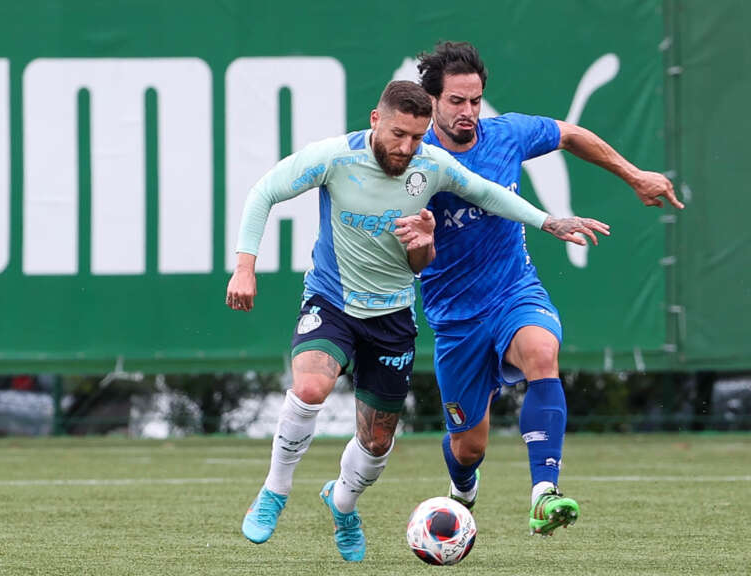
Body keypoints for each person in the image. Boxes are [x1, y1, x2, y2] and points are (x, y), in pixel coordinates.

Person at [225, 80, 608, 561]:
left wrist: (548, 222)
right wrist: (245, 266)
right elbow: (263, 192)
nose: (407, 148)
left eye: (417, 136)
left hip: (392, 315)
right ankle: (274, 492)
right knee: (310, 389)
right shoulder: (333, 158)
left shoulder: (431, 164)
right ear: (375, 120)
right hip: (332, 302)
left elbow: (491, 196)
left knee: (378, 439)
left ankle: (342, 504)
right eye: (399, 134)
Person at [404, 41, 684, 536]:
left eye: (475, 100)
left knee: (541, 349)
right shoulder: (415, 160)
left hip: (513, 290)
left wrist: (634, 174)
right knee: (469, 447)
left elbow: (570, 134)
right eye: (456, 102)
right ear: (431, 103)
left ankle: (543, 494)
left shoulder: (507, 134)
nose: (469, 112)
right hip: (454, 318)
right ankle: (463, 488)